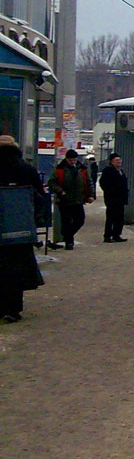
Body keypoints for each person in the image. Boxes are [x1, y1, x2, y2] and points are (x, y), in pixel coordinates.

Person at [0, 136, 46, 322]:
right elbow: (40, 197)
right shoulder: (27, 169)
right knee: (16, 270)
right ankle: (13, 309)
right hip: (21, 229)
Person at [47, 149, 94, 250]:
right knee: (66, 221)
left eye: (74, 160)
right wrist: (60, 191)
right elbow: (51, 183)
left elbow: (89, 182)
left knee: (80, 220)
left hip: (78, 199)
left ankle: (67, 236)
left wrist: (91, 195)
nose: (73, 162)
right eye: (71, 160)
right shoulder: (59, 169)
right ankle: (69, 242)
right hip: (64, 200)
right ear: (66, 159)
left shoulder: (82, 169)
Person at [99, 153, 129, 243]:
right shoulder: (108, 171)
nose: (119, 162)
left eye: (120, 160)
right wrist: (110, 191)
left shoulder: (121, 171)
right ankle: (107, 235)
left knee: (120, 217)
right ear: (112, 161)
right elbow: (103, 183)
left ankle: (116, 234)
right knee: (111, 217)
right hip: (112, 198)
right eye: (117, 160)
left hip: (121, 198)